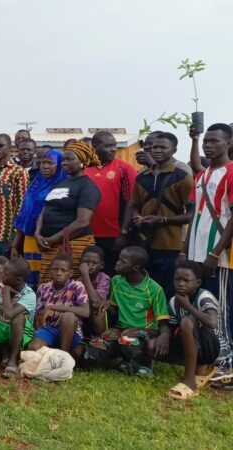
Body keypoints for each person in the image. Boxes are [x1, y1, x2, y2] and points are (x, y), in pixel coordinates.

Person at [180, 123, 233, 385]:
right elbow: (194, 214)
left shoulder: (232, 172)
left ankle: (227, 363)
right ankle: (213, 356)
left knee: (222, 307)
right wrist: (184, 249)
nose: (209, 146)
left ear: (229, 144)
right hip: (197, 251)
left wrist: (216, 252)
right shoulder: (202, 175)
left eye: (215, 141)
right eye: (206, 142)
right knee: (207, 301)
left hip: (219, 254)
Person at [119, 132, 192, 299]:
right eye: (154, 147)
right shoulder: (141, 177)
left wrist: (164, 220)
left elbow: (192, 213)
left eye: (163, 147)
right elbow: (135, 204)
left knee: (166, 289)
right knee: (145, 287)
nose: (157, 150)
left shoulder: (181, 177)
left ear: (173, 150)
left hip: (170, 244)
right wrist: (136, 217)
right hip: (144, 243)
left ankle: (165, 323)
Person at [84, 247, 169, 377]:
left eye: (122, 261)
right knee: (93, 351)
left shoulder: (154, 289)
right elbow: (114, 309)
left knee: (128, 342)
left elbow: (161, 324)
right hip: (120, 328)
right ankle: (123, 359)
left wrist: (164, 335)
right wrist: (107, 305)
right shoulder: (117, 281)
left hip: (145, 331)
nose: (117, 262)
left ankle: (144, 363)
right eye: (118, 259)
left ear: (135, 268)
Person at [34, 141, 101, 284]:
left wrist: (53, 239)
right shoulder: (60, 183)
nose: (64, 163)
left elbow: (83, 222)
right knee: (47, 286)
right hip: (48, 243)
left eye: (70, 159)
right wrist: (38, 234)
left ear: (82, 161)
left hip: (72, 245)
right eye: (64, 159)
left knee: (68, 288)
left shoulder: (87, 186)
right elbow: (45, 210)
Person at [157, 261, 224, 399]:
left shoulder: (204, 297)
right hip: (194, 345)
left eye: (186, 280)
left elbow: (212, 322)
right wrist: (163, 335)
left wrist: (188, 307)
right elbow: (170, 325)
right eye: (177, 279)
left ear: (198, 282)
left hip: (213, 349)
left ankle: (189, 382)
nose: (181, 283)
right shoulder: (173, 301)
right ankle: (199, 368)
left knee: (187, 321)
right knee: (154, 345)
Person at [10, 149, 67, 287]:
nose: (45, 166)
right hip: (30, 240)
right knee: (30, 278)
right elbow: (24, 215)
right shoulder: (35, 184)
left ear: (59, 165)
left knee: (49, 277)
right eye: (43, 163)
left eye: (50, 163)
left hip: (49, 240)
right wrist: (15, 245)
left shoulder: (64, 185)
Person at [85, 131, 136, 275]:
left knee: (110, 272)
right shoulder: (84, 168)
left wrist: (124, 233)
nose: (113, 149)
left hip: (113, 234)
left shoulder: (125, 169)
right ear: (95, 146)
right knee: (87, 272)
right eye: (108, 146)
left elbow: (131, 202)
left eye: (114, 145)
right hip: (85, 233)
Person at [28, 255, 90, 356]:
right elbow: (38, 315)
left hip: (70, 330)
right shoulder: (43, 288)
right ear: (50, 271)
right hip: (48, 329)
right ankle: (52, 351)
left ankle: (63, 356)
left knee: (69, 316)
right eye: (55, 269)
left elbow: (86, 312)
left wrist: (52, 307)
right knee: (33, 348)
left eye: (63, 270)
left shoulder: (77, 286)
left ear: (70, 273)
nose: (58, 273)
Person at [79, 246, 112, 338]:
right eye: (86, 262)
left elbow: (96, 301)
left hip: (95, 317)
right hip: (81, 317)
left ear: (101, 265)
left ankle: (99, 341)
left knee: (97, 309)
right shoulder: (76, 279)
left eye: (94, 262)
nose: (90, 265)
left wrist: (85, 275)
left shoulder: (104, 278)